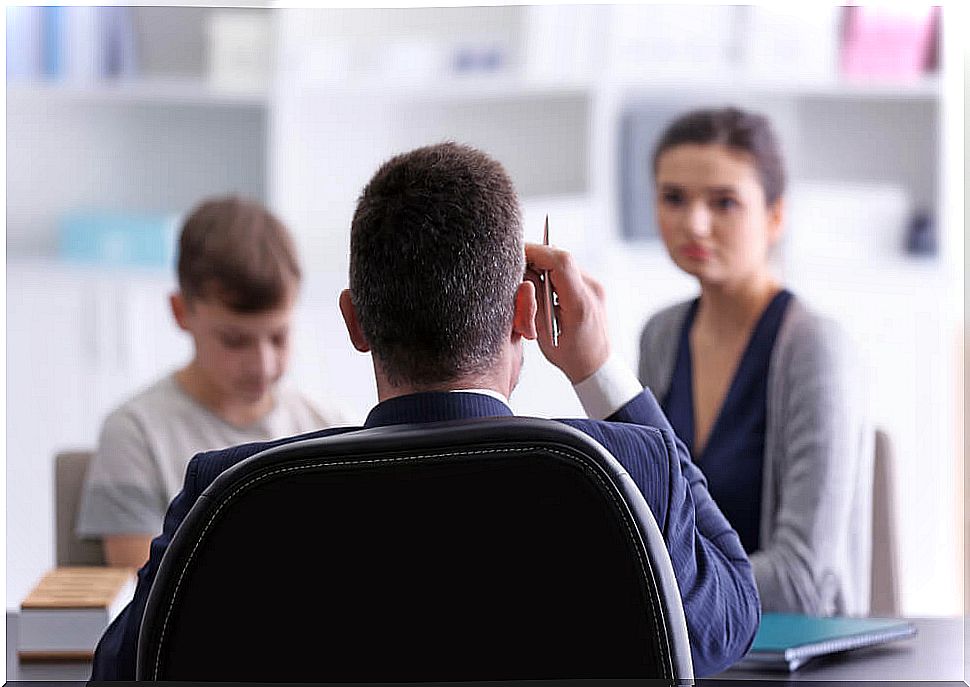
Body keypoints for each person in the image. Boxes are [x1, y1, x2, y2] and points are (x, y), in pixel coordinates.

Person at [90, 143, 759, 679]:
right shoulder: (631, 467)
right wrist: (597, 369)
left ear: (354, 321)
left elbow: (125, 668)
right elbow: (734, 606)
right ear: (526, 313)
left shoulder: (233, 491)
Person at [638, 107, 873, 616]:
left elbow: (800, 583)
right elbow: (642, 520)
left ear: (775, 216)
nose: (694, 224)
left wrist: (654, 583)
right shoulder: (660, 336)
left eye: (724, 202)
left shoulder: (814, 347)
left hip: (791, 656)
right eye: (673, 198)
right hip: (691, 651)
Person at [76, 196, 350, 568]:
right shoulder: (135, 435)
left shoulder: (329, 429)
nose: (262, 364)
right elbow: (146, 605)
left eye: (278, 337)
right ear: (180, 312)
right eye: (234, 341)